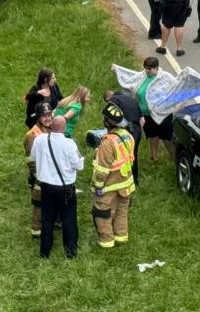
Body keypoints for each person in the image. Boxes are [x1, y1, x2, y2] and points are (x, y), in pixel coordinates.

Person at [31, 115, 83, 258]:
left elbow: (34, 157)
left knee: (47, 219)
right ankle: (70, 252)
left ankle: (44, 252)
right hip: (66, 188)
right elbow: (79, 165)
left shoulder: (40, 139)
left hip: (46, 187)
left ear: (51, 126)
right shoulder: (69, 144)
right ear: (64, 127)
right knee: (69, 219)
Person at [92, 103, 136, 248]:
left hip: (109, 186)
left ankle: (106, 241)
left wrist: (97, 187)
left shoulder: (107, 143)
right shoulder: (128, 136)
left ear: (106, 121)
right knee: (122, 212)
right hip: (126, 183)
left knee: (103, 213)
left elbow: (102, 170)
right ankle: (121, 236)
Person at [135, 56, 175, 163]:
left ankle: (175, 159)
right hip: (146, 114)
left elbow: (176, 87)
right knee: (152, 136)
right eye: (146, 68)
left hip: (162, 115)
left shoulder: (166, 77)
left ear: (156, 67)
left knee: (167, 138)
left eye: (149, 68)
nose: (147, 71)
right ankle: (154, 158)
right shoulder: (143, 76)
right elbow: (130, 79)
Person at [23, 102, 53, 236]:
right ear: (38, 117)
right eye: (44, 116)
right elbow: (31, 160)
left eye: (49, 114)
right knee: (39, 202)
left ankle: (55, 221)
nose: (48, 118)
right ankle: (37, 229)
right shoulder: (32, 135)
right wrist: (39, 176)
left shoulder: (52, 128)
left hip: (52, 173)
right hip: (40, 176)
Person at [103, 89, 144, 186]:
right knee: (133, 155)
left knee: (120, 155)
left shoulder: (113, 101)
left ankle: (120, 179)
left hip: (124, 131)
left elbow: (110, 120)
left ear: (108, 97)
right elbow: (142, 120)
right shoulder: (132, 99)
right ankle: (134, 180)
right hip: (136, 130)